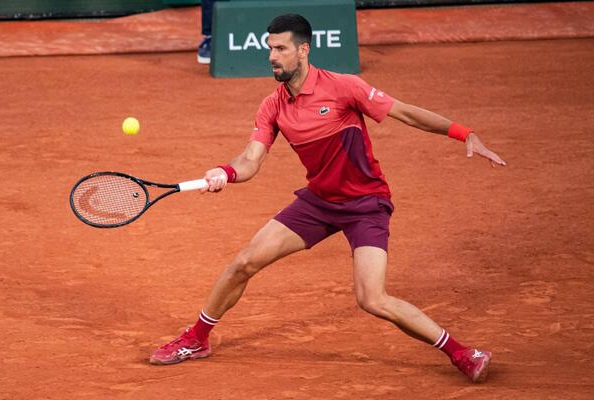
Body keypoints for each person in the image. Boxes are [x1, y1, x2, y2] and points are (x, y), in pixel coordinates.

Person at [150, 13, 505, 383]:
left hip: (365, 204)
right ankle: (197, 338)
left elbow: (406, 113)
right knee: (243, 263)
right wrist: (226, 171)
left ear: (303, 50)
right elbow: (251, 160)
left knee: (372, 298)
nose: (272, 56)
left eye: (281, 48)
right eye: (269, 48)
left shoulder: (343, 87)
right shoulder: (272, 106)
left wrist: (464, 133)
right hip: (318, 203)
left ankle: (461, 352)